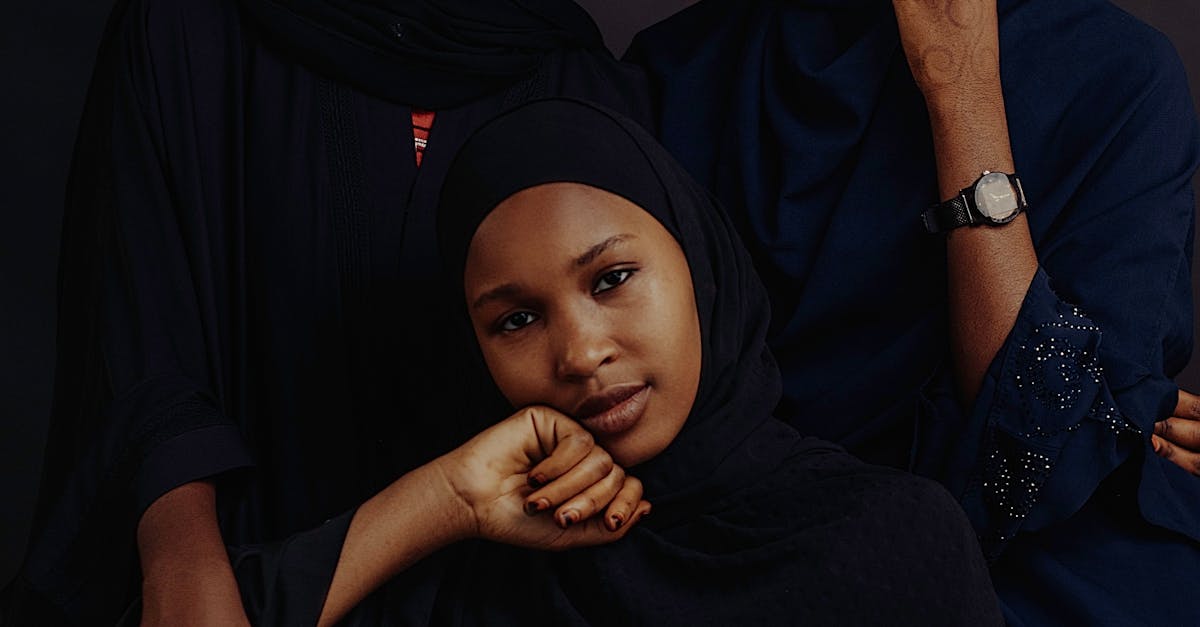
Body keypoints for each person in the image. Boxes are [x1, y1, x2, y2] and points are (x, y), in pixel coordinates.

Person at [3, 1, 651, 624]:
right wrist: (185, 572)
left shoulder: (581, 73)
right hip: (237, 580)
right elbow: (142, 334)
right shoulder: (186, 27)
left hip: (512, 593)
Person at [628, 0, 1200, 622]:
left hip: (1045, 568)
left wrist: (963, 93)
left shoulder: (1117, 71)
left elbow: (1048, 471)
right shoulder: (672, 74)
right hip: (756, 552)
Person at [359, 95, 998, 625]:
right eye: (516, 321)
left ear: (701, 270)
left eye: (612, 279)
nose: (581, 355)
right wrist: (443, 499)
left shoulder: (891, 539)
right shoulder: (472, 582)